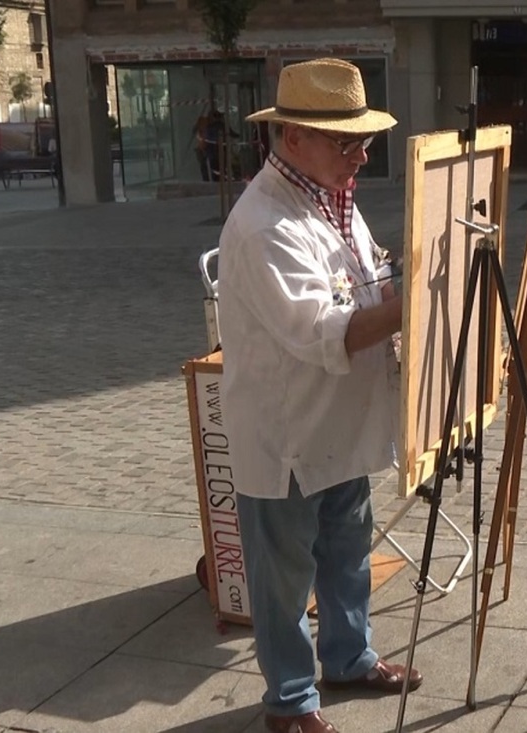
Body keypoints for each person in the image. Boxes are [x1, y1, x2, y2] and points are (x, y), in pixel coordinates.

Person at [217, 58, 420, 733]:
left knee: (347, 551)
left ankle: (349, 656)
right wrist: (414, 305)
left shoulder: (332, 199)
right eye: (347, 142)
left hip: (339, 423)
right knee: (283, 580)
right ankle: (291, 702)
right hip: (288, 436)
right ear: (294, 136)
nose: (361, 155)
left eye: (365, 141)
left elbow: (365, 283)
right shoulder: (264, 223)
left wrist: (404, 284)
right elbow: (319, 331)